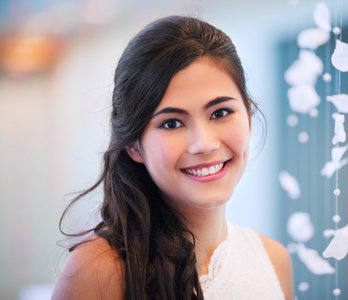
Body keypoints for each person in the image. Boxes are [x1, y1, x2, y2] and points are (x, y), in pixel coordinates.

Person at [52, 15, 293, 300]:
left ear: (249, 117)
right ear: (134, 146)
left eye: (220, 113)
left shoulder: (274, 260)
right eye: (171, 123)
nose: (203, 144)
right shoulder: (98, 271)